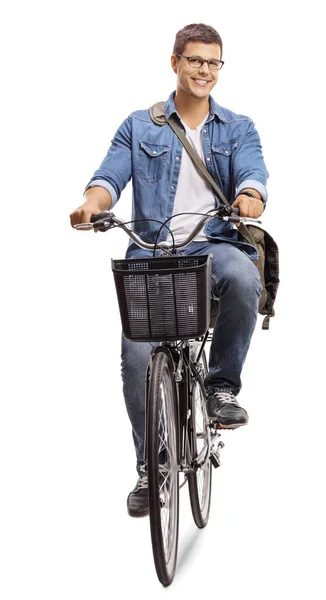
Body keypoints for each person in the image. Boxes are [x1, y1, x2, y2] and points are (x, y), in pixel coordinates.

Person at [70, 23, 269, 518]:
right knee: (137, 361)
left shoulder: (238, 127)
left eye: (213, 62)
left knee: (245, 277)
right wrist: (90, 205)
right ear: (175, 61)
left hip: (212, 243)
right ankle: (150, 466)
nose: (204, 70)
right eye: (195, 60)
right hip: (151, 252)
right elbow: (108, 177)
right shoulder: (141, 125)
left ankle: (221, 387)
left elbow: (253, 172)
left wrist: (250, 197)